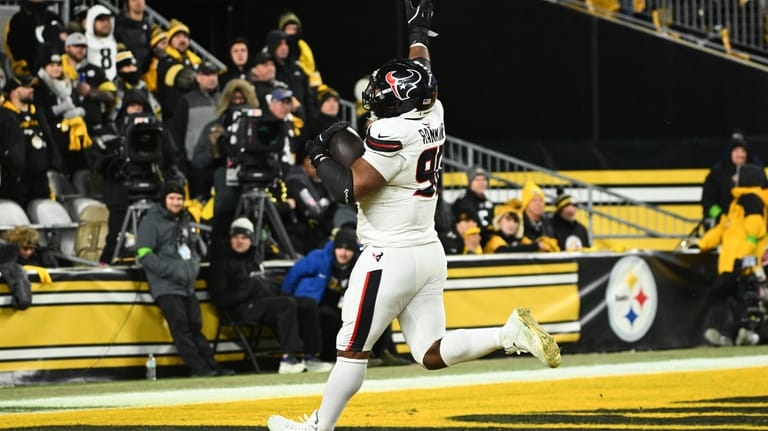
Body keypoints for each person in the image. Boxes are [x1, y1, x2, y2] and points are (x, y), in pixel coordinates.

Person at [266, 2, 560, 429]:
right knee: (429, 351)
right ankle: (506, 335)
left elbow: (350, 187)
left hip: (389, 255)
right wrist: (419, 32)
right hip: (427, 251)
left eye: (382, 100)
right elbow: (424, 71)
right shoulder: (433, 111)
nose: (375, 106)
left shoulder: (393, 132)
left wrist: (316, 153)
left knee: (351, 347)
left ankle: (317, 428)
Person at [207, 217, 333, 374]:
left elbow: (260, 286)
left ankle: (311, 356)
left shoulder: (253, 258)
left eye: (244, 237)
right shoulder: (220, 263)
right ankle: (289, 358)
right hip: (239, 308)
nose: (240, 241)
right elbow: (220, 299)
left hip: (261, 302)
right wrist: (249, 289)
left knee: (308, 303)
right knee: (286, 304)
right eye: (236, 237)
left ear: (251, 240)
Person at [135, 180, 234, 377]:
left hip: (186, 285)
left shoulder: (185, 219)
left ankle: (212, 365)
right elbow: (144, 254)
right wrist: (170, 271)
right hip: (166, 286)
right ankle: (198, 368)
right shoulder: (151, 222)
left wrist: (193, 266)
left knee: (196, 327)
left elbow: (193, 248)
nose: (176, 202)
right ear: (164, 200)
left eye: (180, 198)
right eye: (172, 198)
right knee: (181, 328)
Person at [696, 163, 768, 347]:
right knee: (730, 296)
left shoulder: (751, 201)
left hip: (743, 261)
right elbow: (723, 228)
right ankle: (733, 333)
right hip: (733, 261)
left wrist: (743, 258)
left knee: (727, 292)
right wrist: (701, 243)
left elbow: (754, 231)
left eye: (737, 176)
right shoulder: (738, 203)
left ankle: (737, 332)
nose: (733, 179)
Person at [1, 74, 63, 208]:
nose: (31, 90)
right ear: (15, 91)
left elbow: (49, 138)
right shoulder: (4, 114)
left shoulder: (37, 112)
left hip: (40, 180)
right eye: (27, 87)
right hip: (15, 182)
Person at [171, 61, 220, 199]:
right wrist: (182, 164)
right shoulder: (186, 100)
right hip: (196, 166)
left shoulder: (223, 99)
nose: (212, 78)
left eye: (214, 74)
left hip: (219, 163)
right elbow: (177, 134)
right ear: (198, 77)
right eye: (207, 74)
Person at [701, 131, 767, 231]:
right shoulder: (717, 174)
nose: (740, 154)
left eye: (743, 151)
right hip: (724, 227)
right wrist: (721, 218)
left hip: (751, 227)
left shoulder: (757, 173)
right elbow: (708, 203)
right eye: (736, 150)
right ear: (730, 153)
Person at [156, 18, 203, 125]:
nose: (182, 40)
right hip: (174, 118)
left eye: (185, 37)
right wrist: (203, 78)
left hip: (193, 115)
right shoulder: (165, 62)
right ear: (170, 41)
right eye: (177, 36)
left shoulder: (194, 60)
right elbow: (185, 80)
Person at [4, 0, 66, 78]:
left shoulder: (53, 17)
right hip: (29, 73)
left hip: (56, 70)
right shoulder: (18, 19)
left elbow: (64, 43)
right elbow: (13, 46)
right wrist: (24, 68)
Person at [450, 165, 495, 246]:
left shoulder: (487, 201)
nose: (481, 183)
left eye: (484, 179)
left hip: (486, 242)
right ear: (470, 183)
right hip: (471, 243)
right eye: (477, 180)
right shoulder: (463, 202)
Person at [113, 0, 154, 76]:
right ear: (128, 3)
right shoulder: (119, 24)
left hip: (146, 73)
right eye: (134, 0)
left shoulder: (147, 24)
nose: (138, 2)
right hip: (127, 73)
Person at [520, 179, 560, 252]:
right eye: (534, 201)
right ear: (526, 204)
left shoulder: (549, 223)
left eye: (541, 200)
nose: (538, 204)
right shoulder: (519, 224)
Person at [83, 4, 118, 82]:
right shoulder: (83, 43)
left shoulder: (117, 43)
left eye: (107, 20)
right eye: (101, 20)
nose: (106, 23)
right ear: (91, 21)